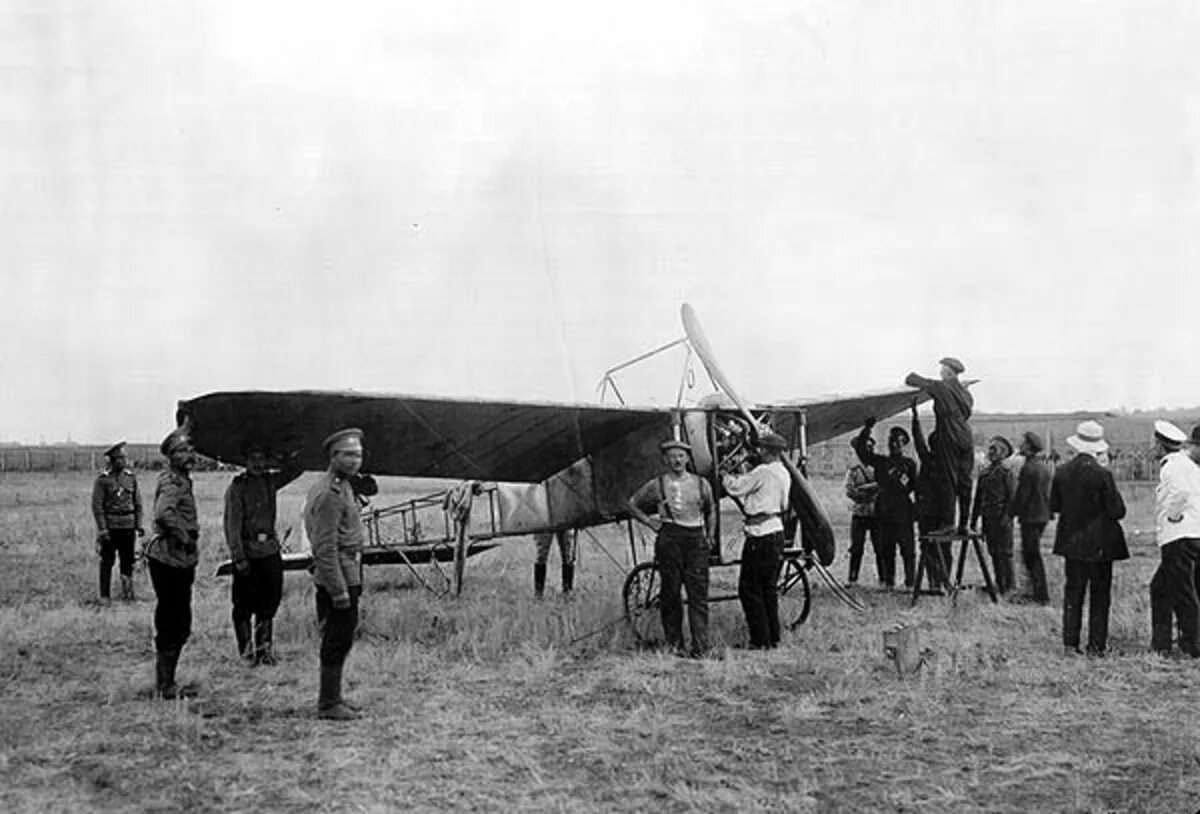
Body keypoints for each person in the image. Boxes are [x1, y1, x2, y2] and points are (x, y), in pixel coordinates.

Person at [627, 439, 717, 656]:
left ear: (687, 458)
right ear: (665, 460)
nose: (676, 460)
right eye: (672, 456)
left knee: (698, 595)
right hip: (670, 539)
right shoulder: (657, 484)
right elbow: (632, 504)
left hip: (695, 539)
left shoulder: (700, 483)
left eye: (680, 456)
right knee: (671, 594)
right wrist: (650, 522)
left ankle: (701, 647)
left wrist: (710, 534)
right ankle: (675, 645)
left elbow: (711, 509)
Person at [1050, 420, 1128, 657]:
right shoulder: (1103, 474)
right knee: (1100, 596)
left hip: (1072, 542)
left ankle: (1069, 644)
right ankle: (1096, 646)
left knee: (1073, 594)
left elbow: (1054, 505)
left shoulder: (1061, 472)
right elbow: (1117, 511)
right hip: (1100, 545)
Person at [306, 427, 368, 720]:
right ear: (333, 457)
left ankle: (334, 697)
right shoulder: (329, 494)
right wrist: (338, 589)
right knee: (337, 637)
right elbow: (324, 547)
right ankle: (328, 703)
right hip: (339, 574)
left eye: (359, 454)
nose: (356, 460)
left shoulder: (342, 485)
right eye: (349, 455)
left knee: (342, 636)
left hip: (348, 570)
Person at [223, 443, 303, 665]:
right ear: (245, 462)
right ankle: (247, 652)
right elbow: (232, 525)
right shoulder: (238, 487)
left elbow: (296, 470)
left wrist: (284, 454)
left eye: (261, 458)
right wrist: (238, 558)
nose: (258, 463)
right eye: (253, 459)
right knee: (243, 605)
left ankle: (264, 650)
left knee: (269, 603)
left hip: (269, 552)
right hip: (248, 555)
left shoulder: (269, 481)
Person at [722, 432, 792, 649]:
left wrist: (725, 473)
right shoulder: (783, 472)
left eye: (761, 448)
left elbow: (736, 487)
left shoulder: (763, 471)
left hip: (760, 534)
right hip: (776, 530)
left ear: (767, 451)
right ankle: (773, 637)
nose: (758, 452)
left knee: (749, 589)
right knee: (768, 588)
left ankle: (759, 640)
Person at [146, 430, 201, 699]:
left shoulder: (182, 480)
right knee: (172, 620)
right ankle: (165, 685)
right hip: (169, 558)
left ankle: (168, 682)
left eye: (190, 449)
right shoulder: (172, 482)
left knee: (180, 620)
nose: (188, 455)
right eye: (181, 451)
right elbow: (163, 513)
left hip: (179, 559)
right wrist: (183, 537)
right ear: (170, 457)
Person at [905, 358, 975, 533]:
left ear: (949, 372)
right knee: (965, 480)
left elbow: (912, 379)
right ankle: (964, 524)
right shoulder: (966, 394)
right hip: (966, 436)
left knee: (949, 480)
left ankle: (949, 523)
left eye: (943, 369)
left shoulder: (942, 387)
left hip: (949, 435)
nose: (941, 372)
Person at [1149, 420, 1200, 658]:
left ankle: (1190, 644)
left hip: (1178, 537)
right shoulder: (1188, 464)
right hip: (1192, 534)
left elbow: (1180, 493)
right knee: (1162, 588)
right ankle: (1163, 644)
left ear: (1161, 444)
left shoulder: (1171, 467)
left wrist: (1172, 514)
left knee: (1181, 591)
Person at [851, 419, 918, 588]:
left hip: (903, 511)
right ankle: (889, 583)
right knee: (887, 550)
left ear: (904, 444)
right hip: (885, 511)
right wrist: (867, 428)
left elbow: (915, 487)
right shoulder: (882, 462)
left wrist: (917, 511)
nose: (893, 445)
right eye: (891, 441)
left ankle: (910, 582)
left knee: (908, 550)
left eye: (897, 441)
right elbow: (861, 450)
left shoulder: (910, 465)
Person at [91, 441, 144, 601]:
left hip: (128, 526)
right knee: (107, 561)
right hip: (110, 527)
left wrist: (139, 525)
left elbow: (138, 503)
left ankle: (128, 594)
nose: (123, 461)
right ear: (112, 461)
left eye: (124, 458)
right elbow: (97, 506)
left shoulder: (130, 478)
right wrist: (102, 529)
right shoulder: (102, 481)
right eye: (119, 459)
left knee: (128, 561)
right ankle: (105, 596)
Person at [910, 406, 956, 589]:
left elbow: (919, 442)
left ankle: (937, 582)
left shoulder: (931, 461)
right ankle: (940, 582)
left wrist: (916, 418)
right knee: (942, 549)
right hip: (941, 515)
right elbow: (920, 442)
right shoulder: (947, 463)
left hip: (933, 514)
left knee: (930, 548)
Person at [970, 435, 1017, 595]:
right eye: (990, 449)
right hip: (988, 518)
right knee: (994, 552)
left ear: (1003, 453)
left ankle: (1009, 587)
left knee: (1005, 553)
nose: (991, 452)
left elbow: (1012, 499)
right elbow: (977, 499)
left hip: (1002, 518)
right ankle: (999, 584)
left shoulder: (1007, 473)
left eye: (994, 449)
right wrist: (973, 521)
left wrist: (1006, 518)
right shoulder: (984, 474)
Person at [1010, 431, 1052, 604]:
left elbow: (1023, 495)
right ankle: (1036, 593)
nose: (1020, 445)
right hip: (1041, 515)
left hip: (1031, 517)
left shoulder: (1028, 468)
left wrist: (1010, 513)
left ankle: (1040, 595)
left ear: (1028, 446)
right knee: (1032, 555)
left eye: (1023, 443)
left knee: (1031, 556)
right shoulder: (1042, 466)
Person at [843, 442, 879, 585]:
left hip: (876, 513)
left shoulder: (878, 468)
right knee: (856, 548)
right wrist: (870, 491)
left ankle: (884, 579)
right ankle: (852, 579)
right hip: (859, 513)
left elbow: (882, 485)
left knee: (880, 548)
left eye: (870, 448)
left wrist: (864, 488)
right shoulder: (853, 471)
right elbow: (850, 491)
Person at [532, 529, 577, 599]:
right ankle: (538, 593)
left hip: (565, 520)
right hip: (545, 521)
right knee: (541, 554)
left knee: (568, 555)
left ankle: (567, 592)